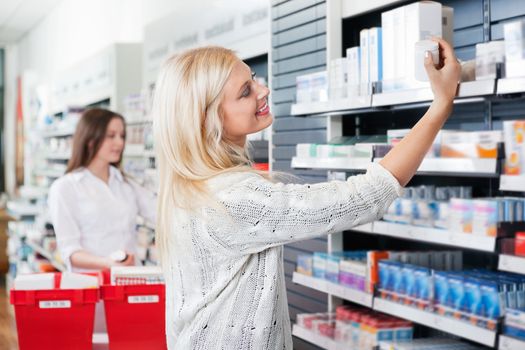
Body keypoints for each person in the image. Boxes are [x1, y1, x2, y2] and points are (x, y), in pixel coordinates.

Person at [151, 39, 460, 349]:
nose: (263, 91)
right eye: (245, 91)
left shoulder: (188, 188)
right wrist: (441, 105)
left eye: (254, 79)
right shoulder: (231, 198)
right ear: (208, 122)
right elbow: (364, 196)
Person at [48, 108, 156, 272]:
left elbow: (159, 213)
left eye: (122, 136)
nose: (119, 143)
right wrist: (108, 263)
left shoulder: (127, 184)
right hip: (92, 287)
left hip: (130, 281)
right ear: (90, 139)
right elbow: (70, 252)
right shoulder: (66, 188)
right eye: (111, 136)